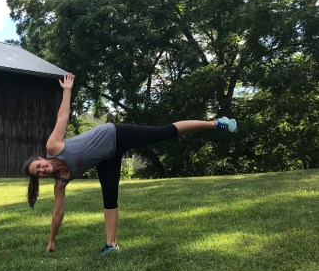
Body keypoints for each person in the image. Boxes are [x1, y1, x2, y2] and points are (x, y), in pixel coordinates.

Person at [23, 72, 238, 255]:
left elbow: (63, 116)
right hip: (106, 159)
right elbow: (58, 213)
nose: (42, 170)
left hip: (115, 134)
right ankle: (111, 245)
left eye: (39, 166)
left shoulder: (53, 146)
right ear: (41, 177)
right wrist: (51, 241)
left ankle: (215, 123)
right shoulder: (61, 181)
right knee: (109, 197)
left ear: (42, 159)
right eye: (39, 173)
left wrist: (67, 90)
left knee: (164, 132)